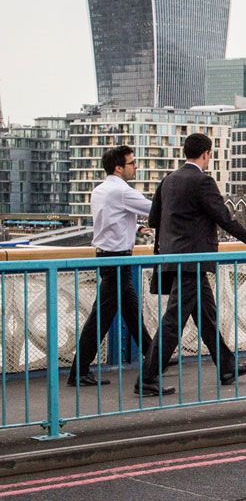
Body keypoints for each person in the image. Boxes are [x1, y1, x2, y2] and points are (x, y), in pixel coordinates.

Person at [136, 133, 246, 396]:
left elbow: (154, 219)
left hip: (172, 258)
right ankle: (147, 377)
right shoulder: (203, 181)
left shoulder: (168, 180)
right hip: (194, 260)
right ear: (206, 154)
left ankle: (227, 367)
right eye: (210, 154)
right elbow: (225, 219)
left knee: (206, 316)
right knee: (173, 321)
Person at [68, 146, 154, 387]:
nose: (136, 166)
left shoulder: (100, 190)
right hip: (118, 259)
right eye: (132, 163)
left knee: (131, 312)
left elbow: (111, 219)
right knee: (101, 318)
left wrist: (135, 228)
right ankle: (79, 372)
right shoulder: (121, 191)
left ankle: (154, 357)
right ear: (119, 167)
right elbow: (153, 208)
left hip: (107, 256)